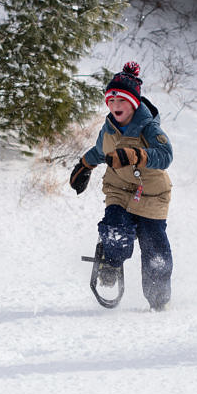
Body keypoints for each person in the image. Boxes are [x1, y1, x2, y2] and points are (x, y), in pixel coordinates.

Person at [69, 62, 174, 311]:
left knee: (155, 255)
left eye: (122, 101)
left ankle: (159, 302)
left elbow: (166, 154)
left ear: (134, 103)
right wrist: (84, 165)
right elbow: (99, 151)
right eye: (111, 101)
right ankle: (111, 262)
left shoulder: (149, 128)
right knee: (115, 227)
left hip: (152, 195)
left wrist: (137, 155)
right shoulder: (108, 129)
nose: (115, 106)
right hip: (119, 190)